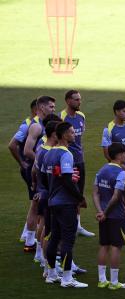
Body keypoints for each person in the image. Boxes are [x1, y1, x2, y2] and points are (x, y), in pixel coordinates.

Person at [42, 122, 88, 288]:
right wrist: (80, 198)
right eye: (70, 132)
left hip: (53, 201)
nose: (74, 133)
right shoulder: (66, 154)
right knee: (68, 239)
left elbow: (42, 178)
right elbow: (68, 181)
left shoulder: (47, 153)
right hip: (66, 203)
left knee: (54, 237)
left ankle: (52, 273)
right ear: (62, 135)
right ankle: (67, 278)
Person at [93, 142, 125, 290]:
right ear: (119, 155)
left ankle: (102, 280)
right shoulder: (121, 173)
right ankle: (114, 282)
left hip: (103, 216)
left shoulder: (102, 170)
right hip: (116, 215)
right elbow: (116, 196)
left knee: (104, 246)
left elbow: (95, 192)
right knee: (116, 247)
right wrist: (106, 212)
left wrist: (100, 211)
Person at [21, 96, 55, 251]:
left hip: (37, 168)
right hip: (35, 169)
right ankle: (30, 242)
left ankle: (29, 239)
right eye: (51, 107)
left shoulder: (42, 124)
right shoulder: (36, 126)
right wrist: (42, 161)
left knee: (36, 204)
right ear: (41, 107)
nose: (53, 109)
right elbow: (27, 150)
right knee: (37, 206)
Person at [101, 99, 125, 236]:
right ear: (116, 112)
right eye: (124, 111)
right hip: (116, 170)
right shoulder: (109, 129)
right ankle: (113, 223)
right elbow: (107, 152)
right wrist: (122, 166)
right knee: (115, 197)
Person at [61, 90, 94, 237]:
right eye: (76, 100)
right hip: (67, 161)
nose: (79, 102)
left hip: (80, 160)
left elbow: (79, 138)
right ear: (68, 101)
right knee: (68, 193)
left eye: (80, 99)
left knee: (79, 193)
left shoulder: (81, 116)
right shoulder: (61, 117)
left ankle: (77, 225)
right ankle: (68, 225)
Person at [32, 115, 61, 268]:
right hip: (50, 193)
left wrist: (36, 186)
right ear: (55, 134)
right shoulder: (49, 152)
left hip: (43, 191)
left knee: (44, 224)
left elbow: (35, 170)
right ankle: (46, 260)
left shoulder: (41, 149)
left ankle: (40, 254)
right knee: (49, 229)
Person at [7, 98, 37, 243]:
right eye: (48, 107)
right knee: (37, 202)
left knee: (35, 202)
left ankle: (26, 234)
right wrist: (22, 163)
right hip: (30, 168)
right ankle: (29, 238)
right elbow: (12, 145)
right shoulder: (27, 126)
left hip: (31, 167)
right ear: (37, 109)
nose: (52, 109)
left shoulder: (35, 124)